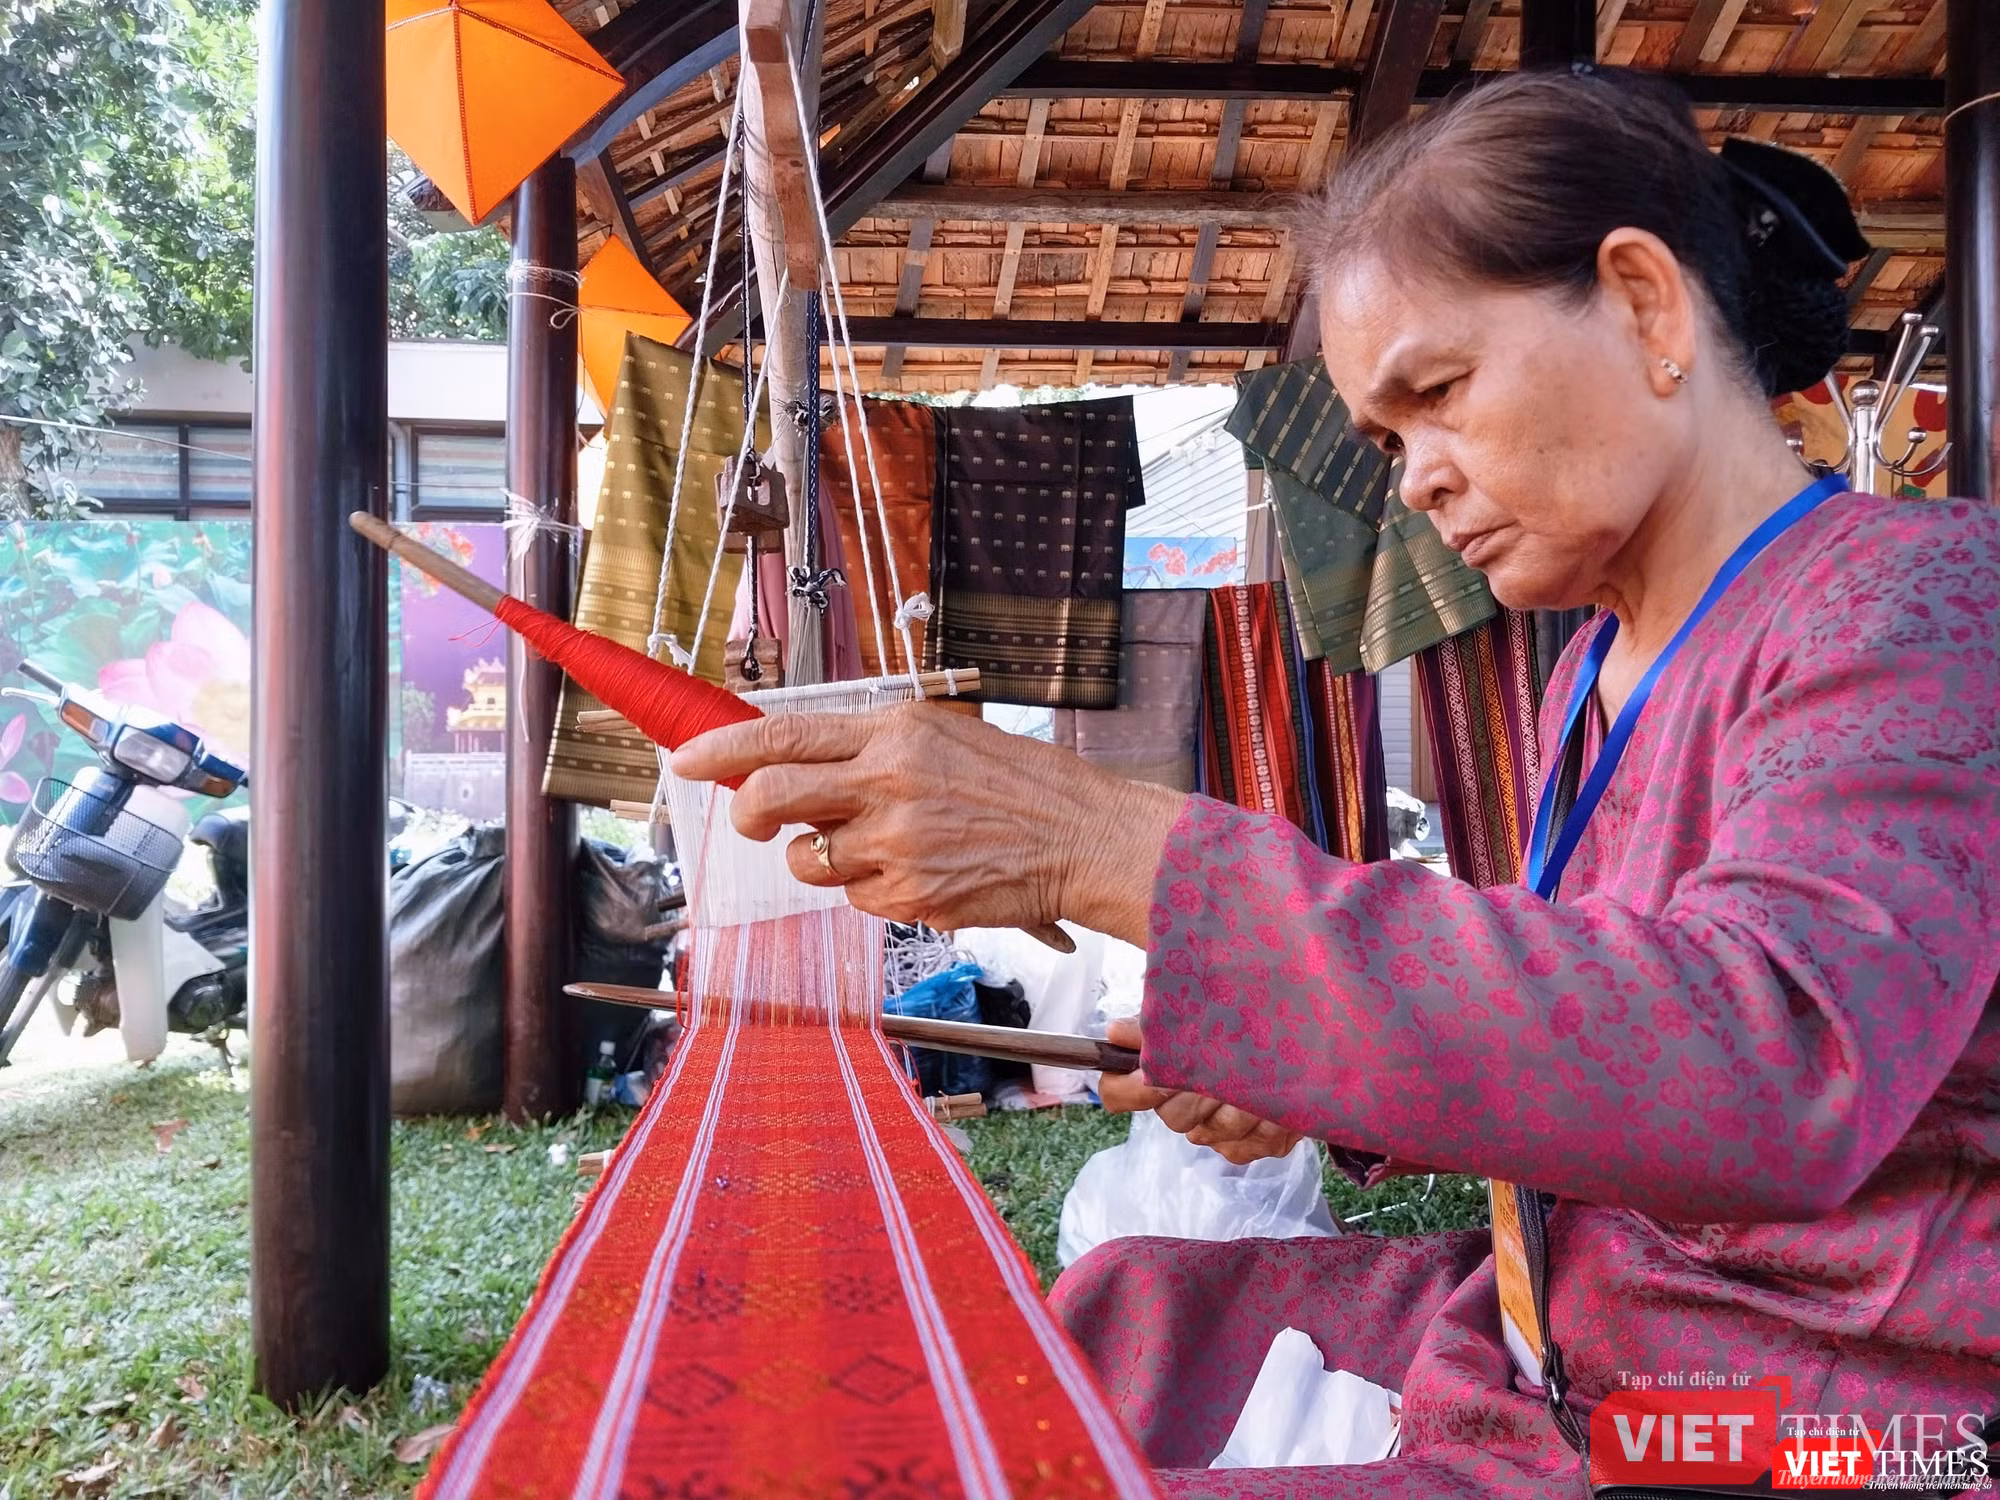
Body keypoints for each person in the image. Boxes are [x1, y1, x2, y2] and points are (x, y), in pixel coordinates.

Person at [673, 68, 2000, 1498]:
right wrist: (1309, 1078)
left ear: (1645, 304)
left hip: (1817, 1419)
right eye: (1383, 440)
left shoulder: (1921, 605)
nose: (1416, 480)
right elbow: (1588, 1029)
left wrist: (1122, 848)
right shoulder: (1590, 673)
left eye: (1437, 393)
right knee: (1119, 1317)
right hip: (1575, 1339)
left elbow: (1775, 1060)